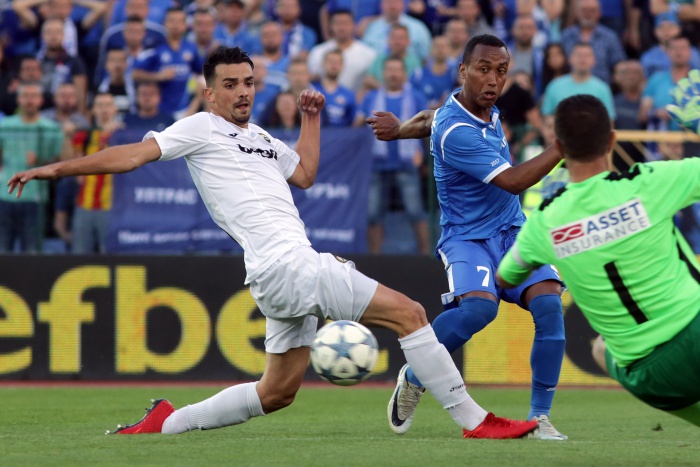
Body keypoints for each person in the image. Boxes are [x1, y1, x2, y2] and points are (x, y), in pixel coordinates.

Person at [7, 46, 537, 439]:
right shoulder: (199, 128)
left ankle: (166, 424)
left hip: (277, 273)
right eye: (230, 84)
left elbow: (304, 174)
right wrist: (55, 169)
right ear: (210, 93)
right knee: (411, 315)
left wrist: (311, 119)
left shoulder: (261, 138)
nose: (243, 92)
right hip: (288, 266)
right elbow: (130, 156)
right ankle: (475, 421)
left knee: (276, 393)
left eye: (248, 82)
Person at [366, 34, 567, 440]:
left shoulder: (475, 110)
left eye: (501, 71)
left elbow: (429, 117)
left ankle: (540, 418)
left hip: (511, 230)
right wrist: (562, 146)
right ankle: (415, 376)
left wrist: (400, 129)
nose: (493, 79)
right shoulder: (457, 130)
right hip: (467, 238)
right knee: (478, 311)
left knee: (549, 305)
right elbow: (513, 181)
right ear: (463, 70)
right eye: (483, 69)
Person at [496, 90, 700, 428]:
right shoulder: (649, 182)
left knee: (601, 350)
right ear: (612, 140)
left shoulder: (546, 220)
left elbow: (505, 277)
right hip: (694, 327)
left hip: (649, 375)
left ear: (558, 149)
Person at [0, 82, 66, 253]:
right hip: (4, 195)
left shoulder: (52, 129)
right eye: (25, 96)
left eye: (33, 96)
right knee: (2, 250)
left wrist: (41, 160)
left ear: (41, 100)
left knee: (32, 252)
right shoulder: (4, 126)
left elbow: (61, 162)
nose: (29, 100)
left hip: (36, 197)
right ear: (18, 99)